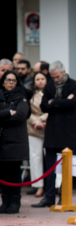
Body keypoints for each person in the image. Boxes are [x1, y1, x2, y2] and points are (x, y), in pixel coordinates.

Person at [32, 61, 76, 207]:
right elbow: (43, 106)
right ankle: (49, 197)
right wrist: (62, 102)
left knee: (67, 167)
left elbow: (72, 105)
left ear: (64, 72)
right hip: (52, 131)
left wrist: (54, 102)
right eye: (53, 77)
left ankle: (64, 197)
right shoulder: (49, 85)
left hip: (68, 131)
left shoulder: (75, 85)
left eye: (57, 77)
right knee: (50, 166)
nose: (55, 80)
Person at [0, 71, 29, 214]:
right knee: (3, 173)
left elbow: (21, 115)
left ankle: (15, 202)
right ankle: (5, 201)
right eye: (8, 80)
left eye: (14, 80)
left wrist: (3, 119)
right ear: (3, 81)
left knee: (14, 172)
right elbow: (12, 115)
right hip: (2, 141)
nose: (11, 82)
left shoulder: (21, 96)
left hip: (16, 141)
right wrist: (9, 112)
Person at [26, 72, 49, 197]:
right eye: (37, 79)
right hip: (33, 128)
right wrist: (35, 121)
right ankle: (38, 186)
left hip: (48, 127)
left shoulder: (51, 92)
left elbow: (52, 108)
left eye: (42, 79)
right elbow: (26, 111)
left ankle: (55, 186)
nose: (40, 81)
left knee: (51, 158)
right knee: (35, 158)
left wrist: (42, 119)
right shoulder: (30, 94)